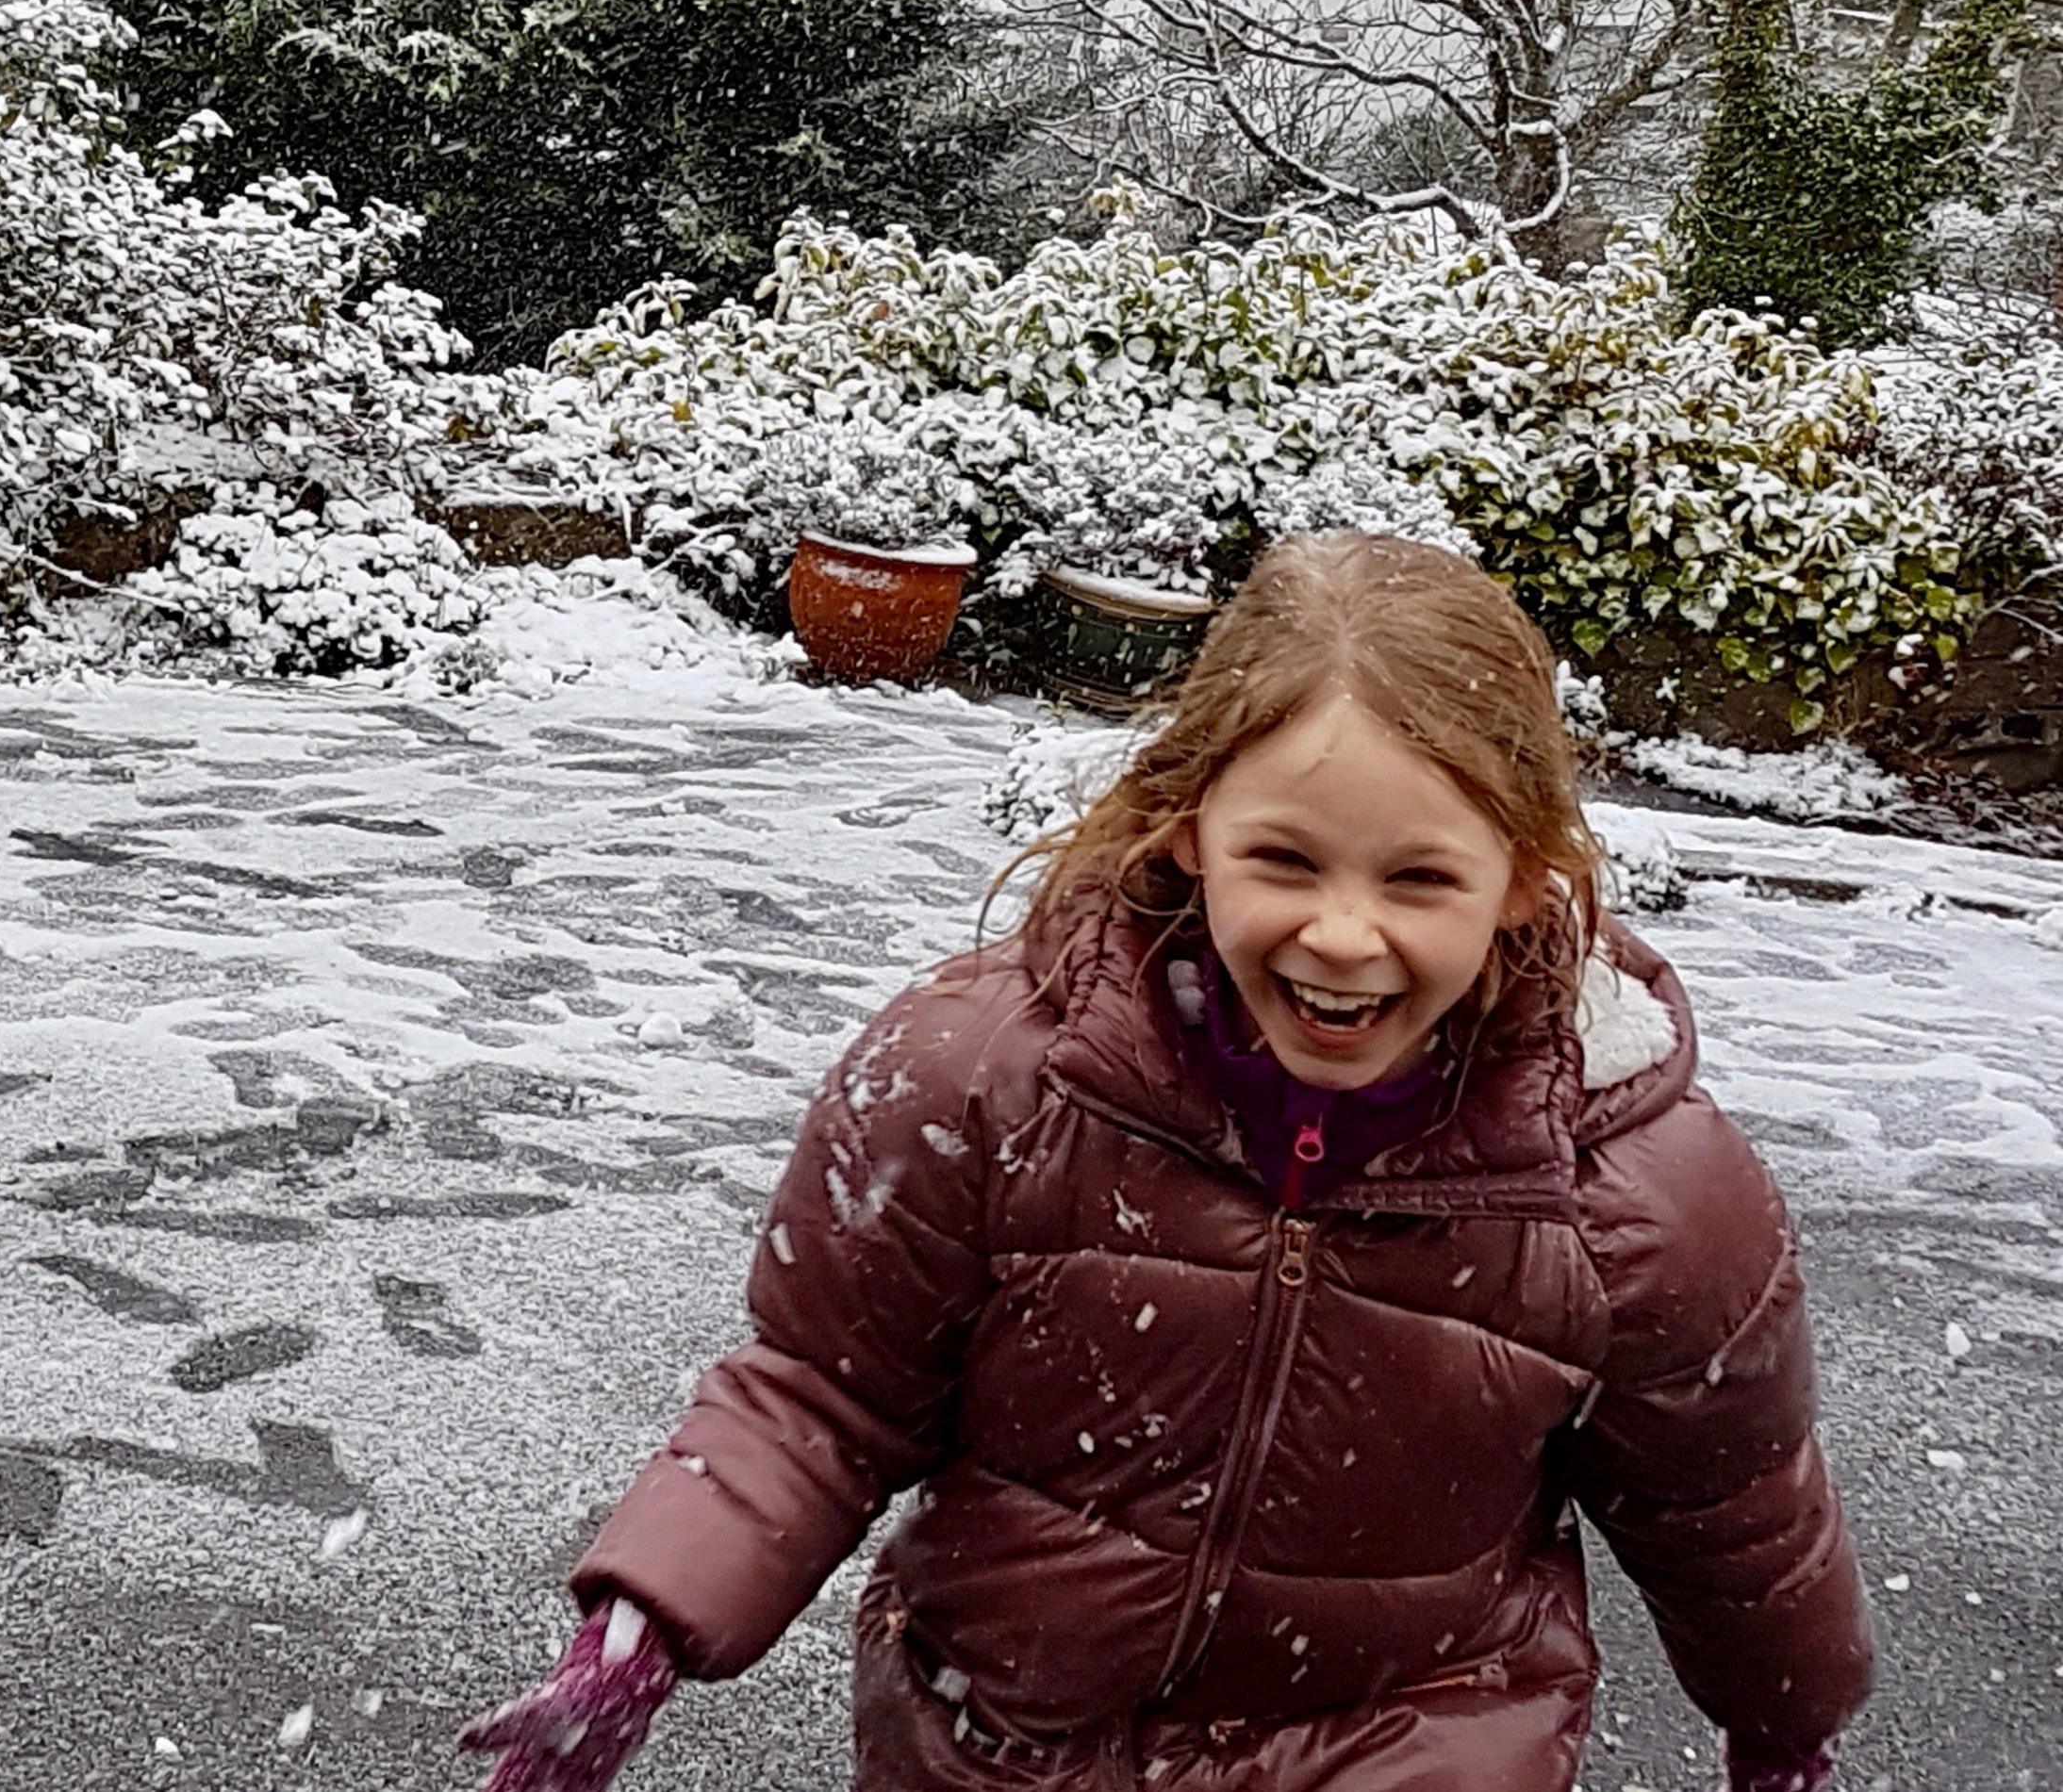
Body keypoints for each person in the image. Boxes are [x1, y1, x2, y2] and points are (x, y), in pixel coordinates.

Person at [461, 531, 1871, 1792]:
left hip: (1413, 1742)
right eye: (1286, 858)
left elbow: (1732, 1506)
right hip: (1006, 1741)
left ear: (1525, 870)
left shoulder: (1637, 1194)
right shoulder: (984, 1080)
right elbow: (822, 1388)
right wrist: (641, 1627)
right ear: (1191, 825)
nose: (1342, 931)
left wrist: (1784, 1720)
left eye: (1420, 877)